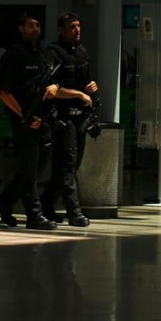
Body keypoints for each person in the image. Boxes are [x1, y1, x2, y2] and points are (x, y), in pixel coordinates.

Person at [0, 13, 59, 230]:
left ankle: (3, 202)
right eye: (30, 25)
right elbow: (3, 92)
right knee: (29, 169)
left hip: (44, 118)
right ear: (21, 28)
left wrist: (55, 88)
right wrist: (23, 117)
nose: (35, 28)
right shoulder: (13, 55)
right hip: (24, 118)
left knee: (36, 168)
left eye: (38, 25)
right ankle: (34, 215)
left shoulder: (43, 54)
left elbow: (53, 82)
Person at [40, 12, 97, 228]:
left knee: (69, 166)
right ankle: (74, 212)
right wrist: (78, 94)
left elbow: (85, 81)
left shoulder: (81, 52)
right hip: (63, 118)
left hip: (80, 117)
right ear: (62, 29)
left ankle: (46, 204)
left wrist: (90, 88)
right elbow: (52, 90)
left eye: (78, 26)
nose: (77, 30)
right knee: (67, 164)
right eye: (72, 26)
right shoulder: (54, 53)